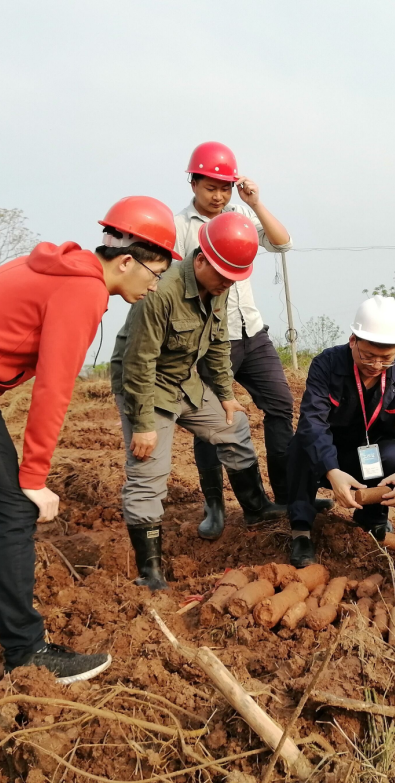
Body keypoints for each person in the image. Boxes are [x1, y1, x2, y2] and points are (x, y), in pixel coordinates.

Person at [0, 196, 180, 684]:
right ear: (127, 260)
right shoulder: (82, 293)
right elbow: (53, 389)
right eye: (155, 273)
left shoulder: (55, 262)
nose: (154, 285)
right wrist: (34, 478)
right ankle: (26, 652)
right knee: (10, 511)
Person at [111, 211, 285, 590]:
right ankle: (150, 572)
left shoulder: (218, 288)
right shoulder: (160, 292)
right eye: (222, 275)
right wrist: (142, 425)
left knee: (234, 426)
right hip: (147, 386)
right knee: (148, 474)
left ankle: (256, 509)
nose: (226, 284)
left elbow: (219, 344)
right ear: (201, 257)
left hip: (184, 380)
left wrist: (225, 396)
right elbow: (138, 364)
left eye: (233, 278)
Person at [174, 142, 298, 526]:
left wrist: (256, 202)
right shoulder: (180, 227)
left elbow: (282, 242)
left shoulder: (241, 213)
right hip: (213, 341)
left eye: (225, 187)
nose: (218, 195)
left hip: (253, 331)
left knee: (280, 406)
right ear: (193, 183)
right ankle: (215, 506)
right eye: (210, 186)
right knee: (211, 423)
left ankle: (287, 496)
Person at [284, 296, 395, 567]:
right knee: (302, 443)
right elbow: (313, 423)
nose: (376, 365)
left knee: (392, 454)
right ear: (353, 340)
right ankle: (301, 529)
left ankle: (373, 520)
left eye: (386, 358)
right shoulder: (327, 365)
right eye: (368, 356)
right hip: (331, 453)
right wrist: (332, 471)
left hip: (371, 453)